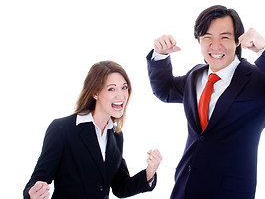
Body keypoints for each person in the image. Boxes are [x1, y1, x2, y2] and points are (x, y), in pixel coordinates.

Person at [146, 5, 265, 199]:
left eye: (224, 37)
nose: (215, 46)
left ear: (238, 41)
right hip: (185, 188)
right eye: (207, 38)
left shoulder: (259, 82)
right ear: (199, 41)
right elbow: (165, 91)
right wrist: (160, 55)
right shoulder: (195, 76)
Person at [24, 61, 162, 199]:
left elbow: (120, 187)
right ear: (95, 93)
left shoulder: (116, 135)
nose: (121, 96)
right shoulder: (63, 129)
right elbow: (38, 178)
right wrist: (32, 194)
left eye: (124, 87)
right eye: (111, 89)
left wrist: (149, 174)